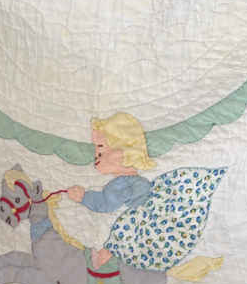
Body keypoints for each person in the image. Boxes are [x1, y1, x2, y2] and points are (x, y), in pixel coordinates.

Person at [67, 113, 226, 274]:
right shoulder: (134, 182)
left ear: (122, 151)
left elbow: (106, 204)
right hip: (153, 214)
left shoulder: (122, 183)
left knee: (122, 233)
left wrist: (84, 197)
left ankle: (102, 258)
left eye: (101, 150)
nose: (96, 158)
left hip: (144, 218)